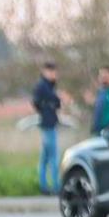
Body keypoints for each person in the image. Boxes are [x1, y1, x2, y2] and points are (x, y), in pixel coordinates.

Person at [31, 60, 63, 194]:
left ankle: (43, 186)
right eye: (52, 71)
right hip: (48, 124)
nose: (54, 74)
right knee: (53, 157)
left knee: (44, 158)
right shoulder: (42, 86)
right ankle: (56, 187)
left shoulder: (49, 86)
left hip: (48, 123)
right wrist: (49, 107)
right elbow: (37, 102)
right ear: (45, 71)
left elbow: (56, 103)